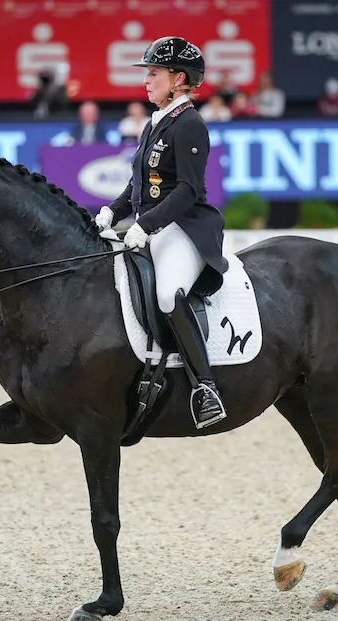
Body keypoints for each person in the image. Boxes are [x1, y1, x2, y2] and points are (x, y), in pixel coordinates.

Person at [93, 35, 230, 430]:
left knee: (169, 293)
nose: (146, 80)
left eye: (154, 73)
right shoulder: (155, 122)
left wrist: (146, 225)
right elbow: (139, 184)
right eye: (147, 73)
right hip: (151, 225)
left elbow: (187, 190)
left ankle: (206, 388)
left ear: (179, 79)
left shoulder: (190, 124)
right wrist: (112, 211)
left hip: (185, 227)